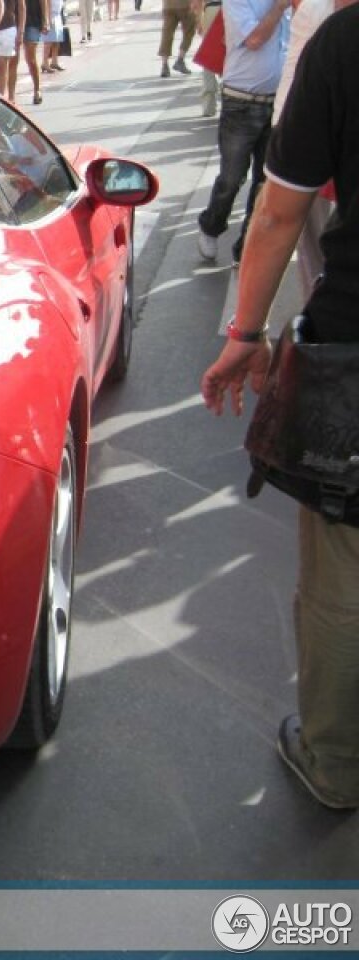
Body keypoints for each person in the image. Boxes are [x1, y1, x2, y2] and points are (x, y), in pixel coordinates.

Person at [199, 2, 359, 811]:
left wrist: (246, 332)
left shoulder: (345, 38)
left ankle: (334, 758)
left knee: (343, 574)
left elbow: (281, 208)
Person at [271, 0, 356, 298]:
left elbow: (276, 220)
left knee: (315, 246)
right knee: (315, 243)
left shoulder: (334, 21)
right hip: (309, 127)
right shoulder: (334, 22)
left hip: (310, 126)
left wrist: (247, 331)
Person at [194, 0, 288, 266]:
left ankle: (246, 245)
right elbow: (255, 39)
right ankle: (212, 225)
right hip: (241, 102)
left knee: (264, 181)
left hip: (278, 104)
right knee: (232, 177)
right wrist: (279, 9)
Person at [158, 0, 198, 75]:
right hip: (186, 5)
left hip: (168, 5)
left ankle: (164, 65)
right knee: (189, 32)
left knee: (167, 34)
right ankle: (180, 59)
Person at [0, 0, 22, 99]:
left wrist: (21, 31)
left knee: (3, 65)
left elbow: (22, 7)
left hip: (8, 28)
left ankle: (2, 97)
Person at [20, 0, 47, 103]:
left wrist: (45, 20)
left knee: (30, 59)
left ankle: (37, 89)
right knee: (12, 59)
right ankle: (10, 96)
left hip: (32, 21)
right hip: (15, 20)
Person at [199, 0, 220, 115]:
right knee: (231, 56)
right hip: (235, 9)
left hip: (211, 9)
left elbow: (196, 3)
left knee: (209, 56)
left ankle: (209, 105)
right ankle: (230, 100)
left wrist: (199, 20)